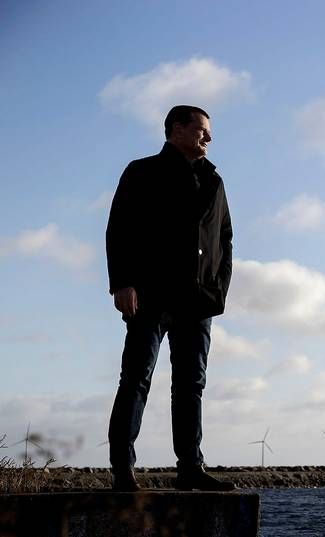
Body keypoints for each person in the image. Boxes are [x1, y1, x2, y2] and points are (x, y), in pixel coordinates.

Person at [105, 105, 234, 491]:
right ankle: (122, 468)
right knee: (136, 378)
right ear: (176, 129)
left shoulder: (215, 181)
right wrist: (123, 283)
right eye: (201, 130)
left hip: (198, 300)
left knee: (191, 384)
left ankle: (190, 468)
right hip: (150, 294)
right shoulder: (141, 171)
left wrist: (219, 290)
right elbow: (119, 228)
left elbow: (224, 239)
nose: (208, 138)